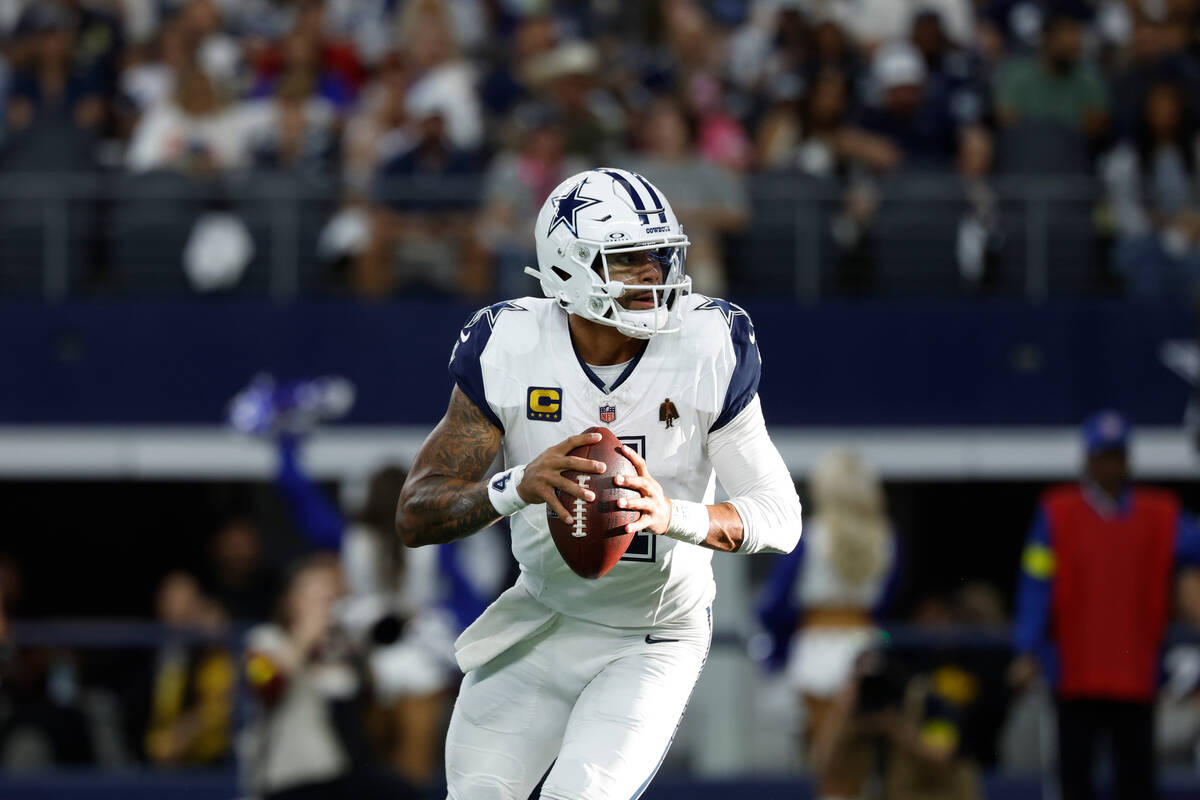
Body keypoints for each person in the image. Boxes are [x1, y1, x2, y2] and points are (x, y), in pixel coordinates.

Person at [395, 167, 803, 800]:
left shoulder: (708, 342)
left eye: (658, 256)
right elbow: (416, 514)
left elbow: (779, 516)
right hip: (544, 619)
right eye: (628, 260)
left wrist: (674, 515)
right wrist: (515, 486)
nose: (653, 276)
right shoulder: (510, 342)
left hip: (653, 634)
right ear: (566, 268)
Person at [1010, 410, 1200, 800]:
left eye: (1116, 457)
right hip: (1076, 671)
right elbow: (1036, 583)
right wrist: (1027, 647)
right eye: (1102, 457)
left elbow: (1192, 553)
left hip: (1134, 674)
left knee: (1136, 780)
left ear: (1128, 461)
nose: (1110, 466)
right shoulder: (1056, 513)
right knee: (1075, 777)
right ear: (1088, 460)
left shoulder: (1160, 515)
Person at [756, 449, 899, 799]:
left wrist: (777, 648)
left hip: (816, 653)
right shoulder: (887, 540)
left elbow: (773, 604)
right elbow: (887, 603)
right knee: (861, 764)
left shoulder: (812, 537)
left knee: (825, 763)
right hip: (867, 650)